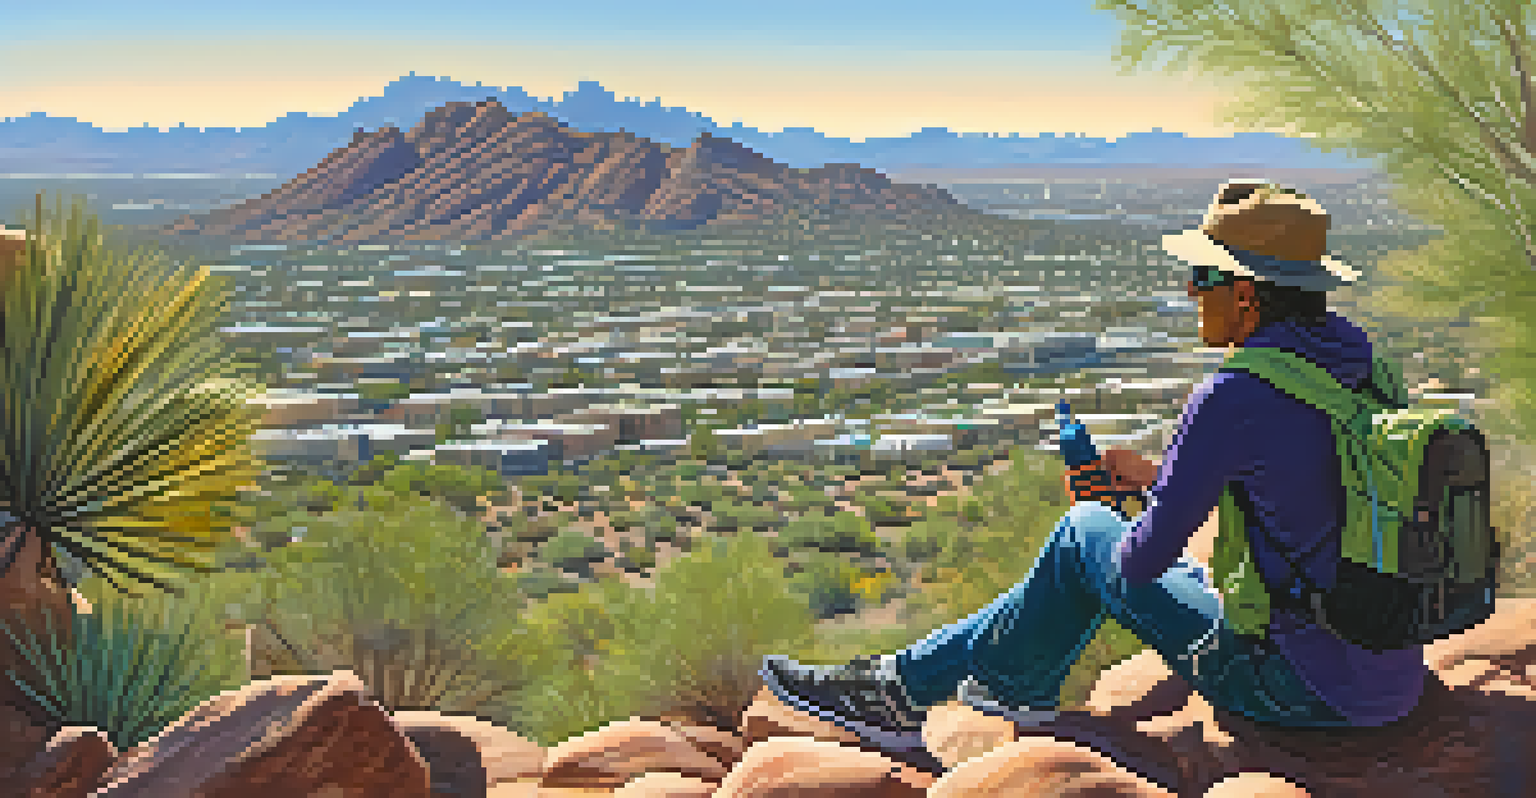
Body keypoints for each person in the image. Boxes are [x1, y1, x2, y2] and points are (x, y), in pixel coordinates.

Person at [759, 179, 1430, 775]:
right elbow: (1309, 485)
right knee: (1100, 538)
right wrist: (1163, 478)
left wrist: (1130, 513)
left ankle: (924, 694)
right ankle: (929, 685)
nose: (1191, 292)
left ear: (1246, 294)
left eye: (1201, 277)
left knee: (1086, 531)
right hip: (1389, 675)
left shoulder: (1235, 394)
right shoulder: (1364, 366)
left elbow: (1141, 565)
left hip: (1294, 687)